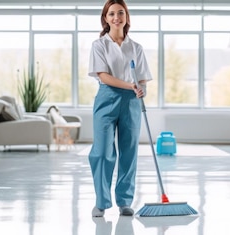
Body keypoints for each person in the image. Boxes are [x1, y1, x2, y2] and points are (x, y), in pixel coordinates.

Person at [87, 0, 153, 217]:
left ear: (126, 17)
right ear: (106, 18)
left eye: (121, 13)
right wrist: (129, 85)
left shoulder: (136, 48)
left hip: (132, 102)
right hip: (107, 98)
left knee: (129, 151)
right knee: (102, 151)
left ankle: (125, 201)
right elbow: (103, 75)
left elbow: (142, 79)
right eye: (112, 13)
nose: (117, 17)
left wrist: (141, 89)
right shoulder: (99, 45)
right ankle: (102, 202)